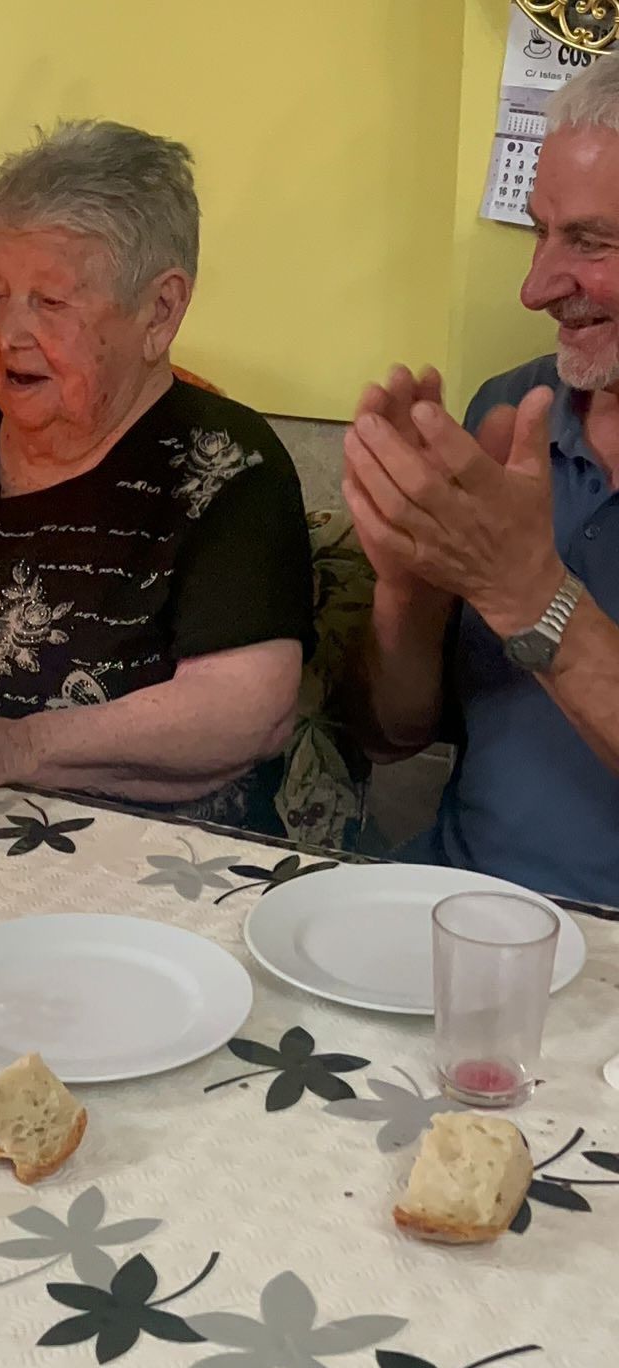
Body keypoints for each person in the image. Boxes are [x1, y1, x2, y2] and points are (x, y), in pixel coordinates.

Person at [0, 120, 313, 818]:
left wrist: (9, 749)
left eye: (48, 303)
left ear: (159, 311)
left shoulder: (227, 470)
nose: (5, 335)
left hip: (119, 862)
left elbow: (244, 710)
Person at [344, 56, 619, 905]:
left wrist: (527, 591)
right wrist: (408, 590)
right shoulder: (512, 410)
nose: (535, 288)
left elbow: (524, 596)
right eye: (541, 230)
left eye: (591, 242)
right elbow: (394, 735)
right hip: (452, 906)